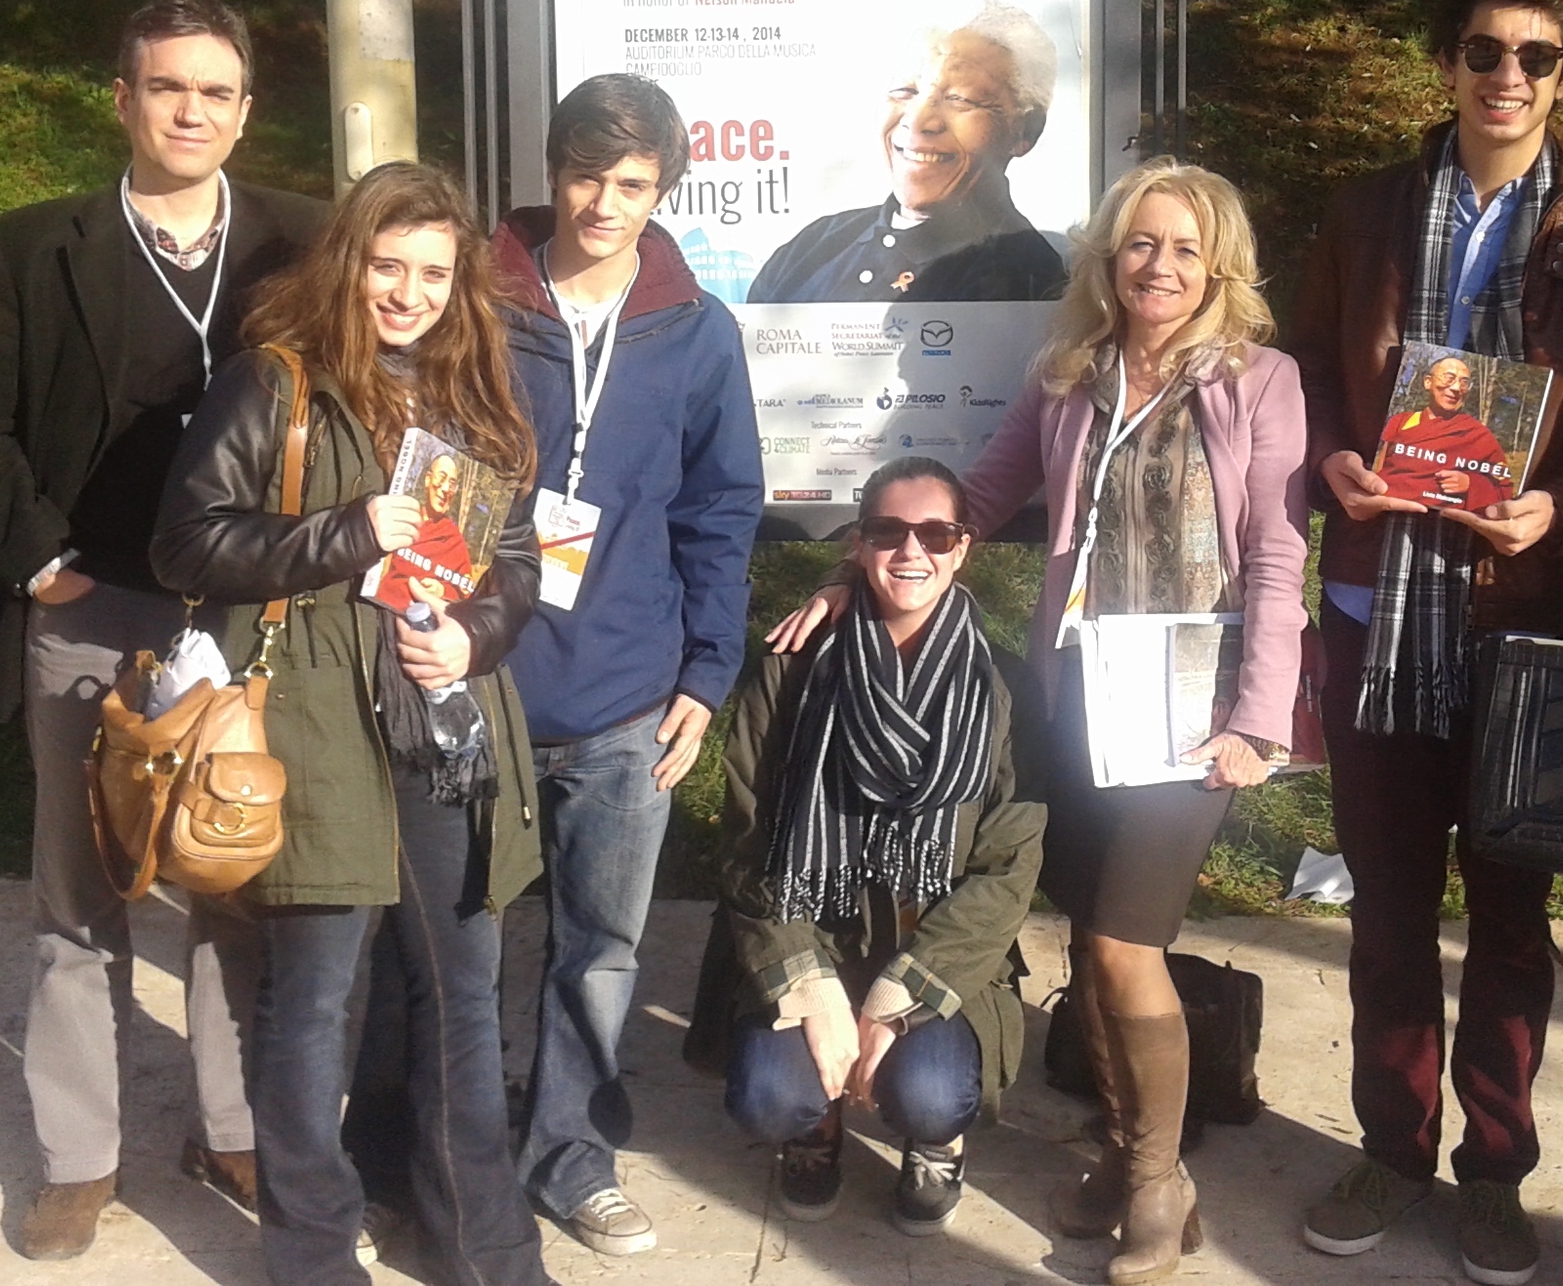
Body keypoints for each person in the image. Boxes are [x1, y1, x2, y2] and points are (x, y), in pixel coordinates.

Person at [774, 158, 1309, 1284]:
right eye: (1138, 243)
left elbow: (1272, 554)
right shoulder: (1071, 375)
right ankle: (1121, 1153)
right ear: (1109, 258)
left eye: (1181, 246)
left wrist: (1257, 719)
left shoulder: (1259, 381)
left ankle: (1161, 1183)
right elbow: (973, 499)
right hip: (1075, 699)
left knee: (1124, 946)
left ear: (1218, 264)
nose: (1157, 265)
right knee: (1087, 939)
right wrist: (861, 568)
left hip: (1186, 707)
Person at [1291, 0, 1563, 1285]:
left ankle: (1495, 1167)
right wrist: (1332, 460)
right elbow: (1304, 370)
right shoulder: (1366, 212)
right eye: (1480, 50)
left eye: (1534, 55)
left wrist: (1557, 512)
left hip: (1518, 616)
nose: (1505, 75)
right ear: (1443, 63)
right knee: (1389, 905)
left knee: (1511, 915)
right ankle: (1392, 1144)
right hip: (1374, 597)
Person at [0, 0, 325, 1260]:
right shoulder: (30, 249)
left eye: (216, 92)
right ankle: (77, 1158)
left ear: (246, 110)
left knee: (234, 879)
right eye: (169, 88)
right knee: (80, 892)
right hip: (92, 610)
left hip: (242, 617)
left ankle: (233, 1128)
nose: (192, 112)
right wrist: (42, 566)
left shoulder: (300, 244)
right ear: (123, 98)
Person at [150, 163, 552, 1286]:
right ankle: (314, 1258)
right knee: (314, 1001)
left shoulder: (474, 394)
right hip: (317, 729)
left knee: (461, 995)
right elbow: (186, 545)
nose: (409, 293)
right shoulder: (272, 383)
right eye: (388, 265)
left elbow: (514, 562)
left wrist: (476, 635)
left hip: (441, 728)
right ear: (348, 262)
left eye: (433, 272)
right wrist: (346, 531)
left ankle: (487, 1250)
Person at [487, 74, 764, 1255]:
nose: (606, 203)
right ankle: (426, 1142)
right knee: (443, 935)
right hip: (476, 678)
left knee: (599, 949)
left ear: (666, 193)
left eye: (635, 184)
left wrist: (704, 676)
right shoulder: (473, 300)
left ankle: (570, 1153)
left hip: (625, 696)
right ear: (553, 169)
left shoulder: (695, 332)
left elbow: (720, 508)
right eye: (588, 174)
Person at [713, 456, 1047, 1236]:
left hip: (932, 943)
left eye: (935, 533)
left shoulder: (1006, 686)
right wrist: (812, 985)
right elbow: (747, 833)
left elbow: (1007, 865)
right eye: (888, 531)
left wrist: (903, 997)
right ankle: (814, 1128)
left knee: (930, 1094)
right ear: (860, 544)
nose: (911, 551)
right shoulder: (791, 665)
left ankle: (936, 1139)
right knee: (771, 1096)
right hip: (815, 927)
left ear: (963, 547)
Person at [746, 2, 1069, 302]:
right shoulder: (815, 244)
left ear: (1024, 131)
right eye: (904, 91)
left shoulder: (1030, 281)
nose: (917, 121)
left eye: (960, 99)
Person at [1375, 354, 1516, 510]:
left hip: (1444, 521)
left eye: (1464, 383)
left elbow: (1504, 488)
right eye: (1449, 378)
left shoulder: (1477, 434)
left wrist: (1471, 483)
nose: (1456, 388)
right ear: (1428, 382)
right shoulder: (1401, 421)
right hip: (1386, 508)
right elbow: (1380, 470)